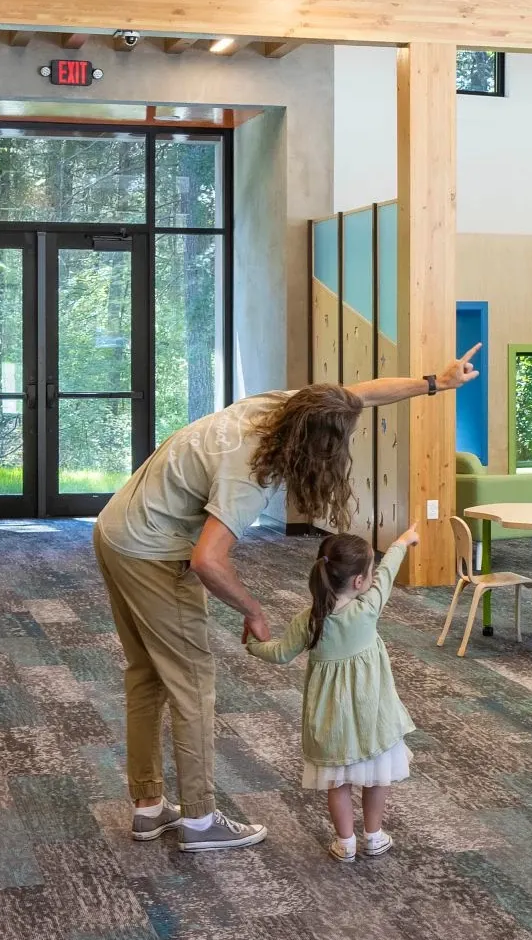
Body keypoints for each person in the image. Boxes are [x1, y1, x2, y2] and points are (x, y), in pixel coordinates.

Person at [93, 347, 480, 852]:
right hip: (153, 552)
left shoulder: (284, 408)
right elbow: (208, 561)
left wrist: (436, 383)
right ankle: (199, 819)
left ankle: (148, 807)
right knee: (192, 684)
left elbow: (361, 395)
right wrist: (253, 610)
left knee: (147, 676)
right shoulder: (248, 473)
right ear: (318, 447)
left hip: (116, 528)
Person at [244, 525, 419, 862]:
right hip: (372, 717)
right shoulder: (367, 609)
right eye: (368, 573)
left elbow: (279, 653)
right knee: (376, 776)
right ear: (359, 582)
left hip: (331, 720)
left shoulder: (310, 620)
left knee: (337, 781)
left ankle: (346, 842)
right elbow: (388, 572)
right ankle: (374, 835)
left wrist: (252, 644)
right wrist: (402, 542)